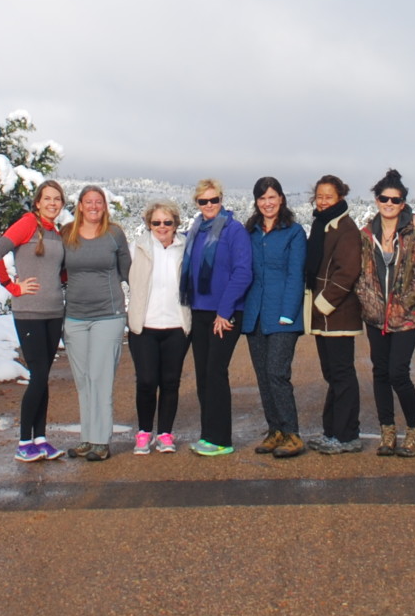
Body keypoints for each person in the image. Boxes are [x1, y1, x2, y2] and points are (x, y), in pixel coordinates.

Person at [0, 180, 69, 462]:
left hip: (54, 312)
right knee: (38, 375)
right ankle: (24, 442)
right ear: (37, 202)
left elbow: (59, 272)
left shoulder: (55, 232)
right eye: (47, 198)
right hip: (29, 312)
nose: (52, 203)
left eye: (57, 199)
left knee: (43, 377)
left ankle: (41, 438)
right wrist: (11, 285)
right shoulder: (26, 224)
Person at [355, 168, 415, 457]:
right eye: (383, 198)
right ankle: (387, 430)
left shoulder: (414, 234)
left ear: (403, 203)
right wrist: (366, 300)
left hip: (405, 317)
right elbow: (360, 274)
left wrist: (407, 302)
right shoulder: (366, 235)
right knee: (380, 372)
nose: (389, 203)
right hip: (375, 316)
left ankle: (414, 430)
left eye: (395, 199)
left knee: (398, 372)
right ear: (376, 200)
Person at [181, 178, 253, 457]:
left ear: (221, 200)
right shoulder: (196, 230)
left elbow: (243, 271)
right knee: (202, 375)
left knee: (215, 373)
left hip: (224, 313)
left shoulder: (234, 230)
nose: (209, 205)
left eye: (214, 200)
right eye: (203, 201)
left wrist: (225, 311)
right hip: (199, 311)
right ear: (197, 204)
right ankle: (208, 435)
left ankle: (221, 439)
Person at [60, 185, 131, 460]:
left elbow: (129, 271)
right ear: (79, 205)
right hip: (75, 317)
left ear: (104, 206)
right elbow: (54, 268)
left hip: (108, 315)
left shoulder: (114, 234)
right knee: (84, 380)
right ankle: (87, 438)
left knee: (101, 378)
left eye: (98, 202)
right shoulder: (67, 234)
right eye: (88, 202)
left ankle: (102, 441)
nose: (93, 206)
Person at [238, 176, 307, 459]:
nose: (267, 203)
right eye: (262, 198)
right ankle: (274, 430)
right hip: (255, 314)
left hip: (282, 315)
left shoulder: (294, 232)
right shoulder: (250, 231)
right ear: (256, 202)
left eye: (272, 197)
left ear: (281, 199)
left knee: (278, 373)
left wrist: (288, 314)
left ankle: (292, 434)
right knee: (263, 376)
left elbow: (296, 275)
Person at [303, 175, 367, 454]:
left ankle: (346, 435)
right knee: (332, 374)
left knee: (342, 374)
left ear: (340, 197)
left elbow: (348, 271)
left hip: (338, 315)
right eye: (319, 195)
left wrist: (323, 303)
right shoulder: (322, 225)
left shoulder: (346, 228)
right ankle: (332, 431)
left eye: (329, 195)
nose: (323, 200)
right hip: (323, 316)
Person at [127, 201, 190, 454]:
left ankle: (164, 433)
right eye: (156, 222)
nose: (162, 227)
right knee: (146, 380)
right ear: (148, 224)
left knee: (170, 382)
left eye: (167, 222)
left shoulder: (186, 248)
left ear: (176, 223)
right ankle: (144, 432)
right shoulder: (138, 248)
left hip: (176, 324)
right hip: (145, 325)